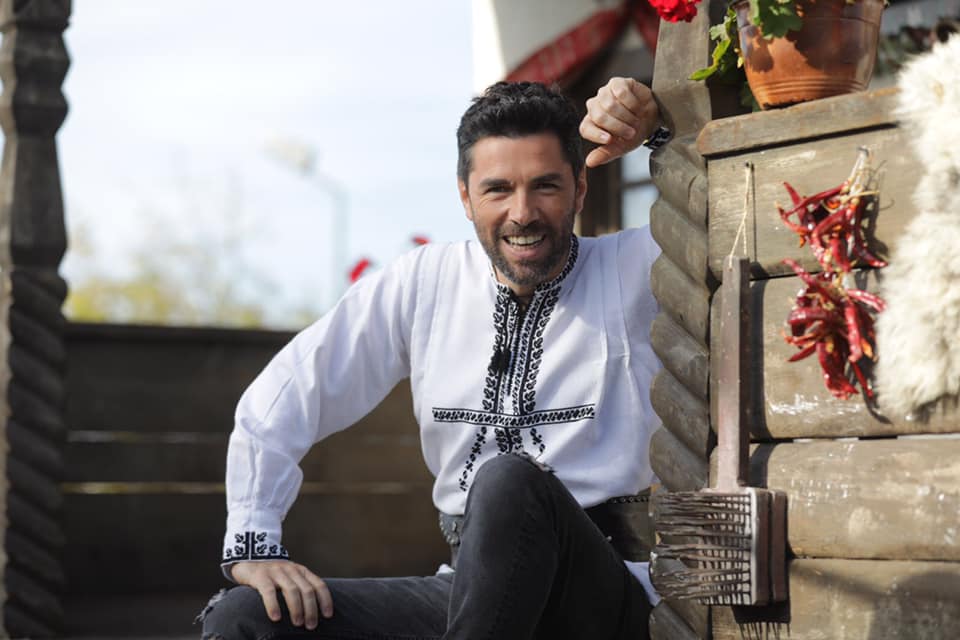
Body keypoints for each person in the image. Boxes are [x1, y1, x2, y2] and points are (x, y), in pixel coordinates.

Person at [199, 77, 666, 640]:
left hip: (603, 596)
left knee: (508, 479)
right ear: (465, 197)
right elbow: (289, 392)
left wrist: (661, 129)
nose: (523, 212)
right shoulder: (424, 283)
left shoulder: (635, 266)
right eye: (498, 189)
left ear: (580, 189)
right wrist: (255, 543)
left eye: (545, 186)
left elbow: (727, 214)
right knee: (245, 619)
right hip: (470, 593)